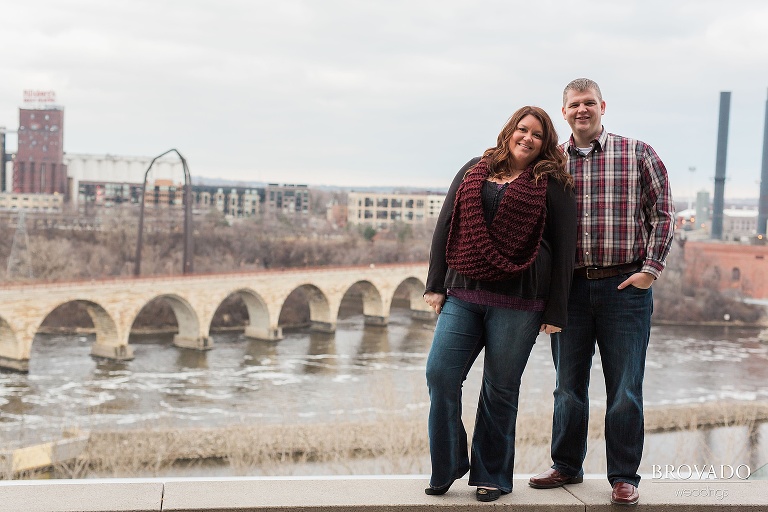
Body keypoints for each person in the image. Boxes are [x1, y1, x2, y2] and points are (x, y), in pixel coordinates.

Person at [528, 78, 675, 506]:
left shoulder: (638, 153)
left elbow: (664, 214)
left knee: (626, 386)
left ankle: (624, 476)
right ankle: (566, 465)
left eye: (589, 102)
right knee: (567, 386)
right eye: (574, 104)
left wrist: (650, 270)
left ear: (603, 106)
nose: (582, 110)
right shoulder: (550, 163)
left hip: (624, 287)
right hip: (568, 290)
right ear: (564, 112)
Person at [423, 106, 577, 502]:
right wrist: (435, 285)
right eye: (522, 130)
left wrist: (556, 310)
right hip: (463, 292)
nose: (527, 138)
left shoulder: (551, 182)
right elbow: (446, 224)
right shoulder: (475, 168)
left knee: (500, 388)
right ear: (510, 131)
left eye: (537, 135)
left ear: (546, 144)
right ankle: (448, 465)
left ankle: (491, 475)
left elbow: (564, 249)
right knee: (440, 374)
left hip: (521, 300)